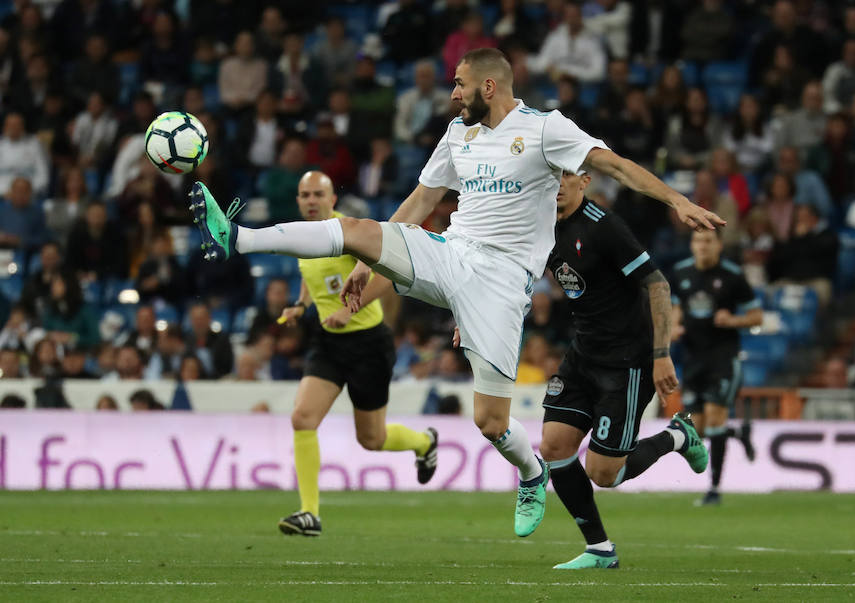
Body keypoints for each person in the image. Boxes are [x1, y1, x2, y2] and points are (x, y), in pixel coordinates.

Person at [187, 48, 723, 537]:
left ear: (489, 86)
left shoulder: (545, 129)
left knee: (490, 421)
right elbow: (423, 200)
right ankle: (239, 237)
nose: (453, 94)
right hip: (450, 252)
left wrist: (676, 200)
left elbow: (615, 166)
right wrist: (370, 262)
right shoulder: (457, 134)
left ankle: (531, 472)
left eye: (460, 84)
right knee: (354, 229)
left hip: (501, 284)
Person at [533, 170, 708, 569]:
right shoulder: (539, 223)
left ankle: (677, 436)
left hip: (626, 361)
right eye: (552, 174)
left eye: (566, 175)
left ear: (584, 181)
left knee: (604, 473)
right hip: (583, 352)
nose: (557, 182)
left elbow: (658, 285)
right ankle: (599, 549)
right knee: (554, 445)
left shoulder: (604, 227)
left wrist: (661, 354)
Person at [275, 171, 438, 538]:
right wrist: (301, 305)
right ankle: (309, 513)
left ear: (332, 199)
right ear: (298, 200)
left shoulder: (349, 233)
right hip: (328, 343)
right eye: (305, 195)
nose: (311, 201)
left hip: (368, 344)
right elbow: (311, 274)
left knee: (372, 439)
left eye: (318, 194)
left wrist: (349, 311)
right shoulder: (303, 237)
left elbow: (386, 277)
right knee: (302, 418)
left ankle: (424, 442)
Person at [671, 229, 762, 506]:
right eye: (698, 240)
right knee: (697, 430)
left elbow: (757, 317)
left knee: (714, 419)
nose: (703, 246)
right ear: (691, 244)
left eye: (708, 241)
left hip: (723, 357)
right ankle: (738, 434)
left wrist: (733, 321)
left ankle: (714, 489)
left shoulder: (733, 275)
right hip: (693, 358)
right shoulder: (681, 273)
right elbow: (676, 306)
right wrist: (674, 326)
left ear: (719, 245)